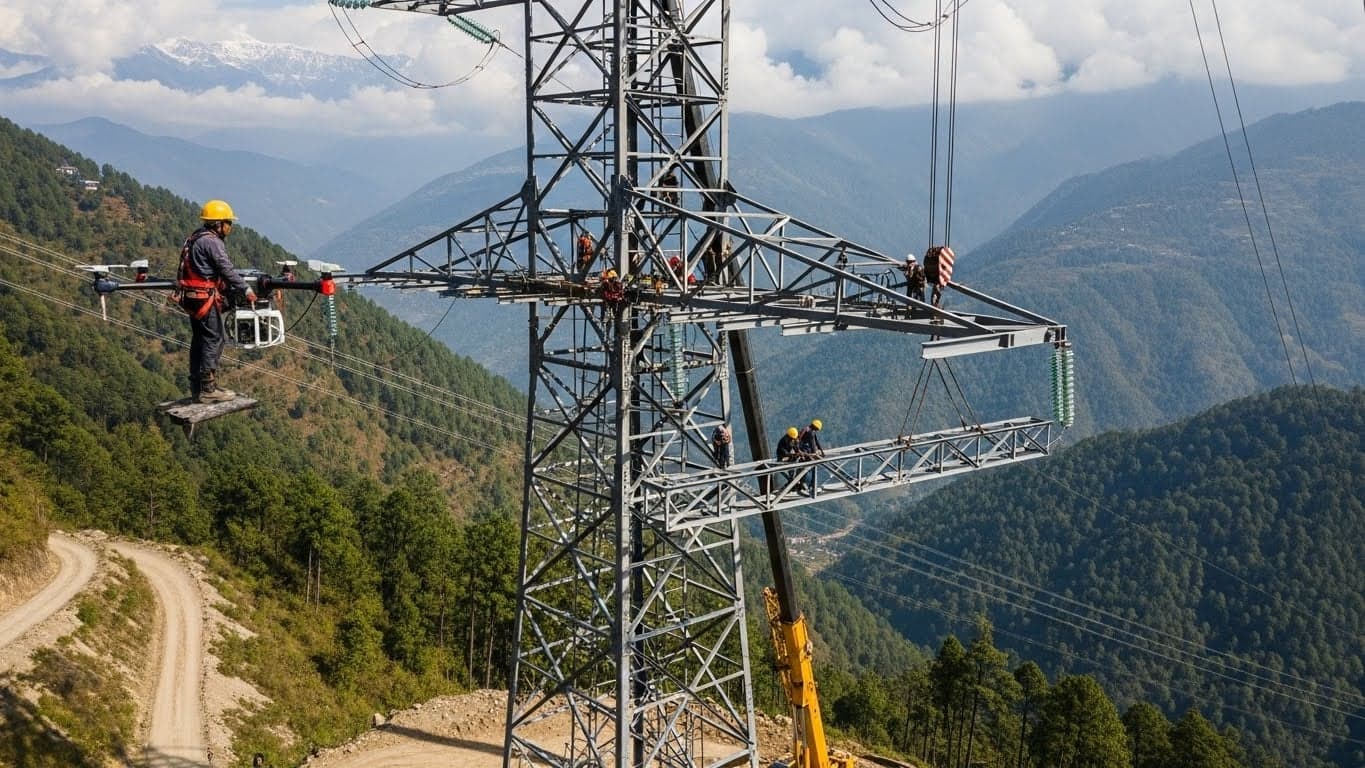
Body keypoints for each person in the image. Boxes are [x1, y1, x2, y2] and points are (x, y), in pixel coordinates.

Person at [177, 199, 255, 403]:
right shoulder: (212, 242)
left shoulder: (195, 237)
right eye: (228, 222)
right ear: (218, 223)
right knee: (215, 338)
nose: (230, 226)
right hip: (204, 298)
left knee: (199, 340)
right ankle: (208, 389)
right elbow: (226, 269)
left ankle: (197, 386)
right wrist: (245, 289)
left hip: (191, 297)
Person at [776, 426, 803, 492]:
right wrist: (793, 455)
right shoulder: (783, 441)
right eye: (792, 438)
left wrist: (800, 453)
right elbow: (785, 453)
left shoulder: (792, 440)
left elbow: (796, 448)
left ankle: (794, 482)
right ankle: (793, 483)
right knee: (792, 466)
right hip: (782, 458)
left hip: (789, 457)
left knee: (797, 464)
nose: (793, 439)